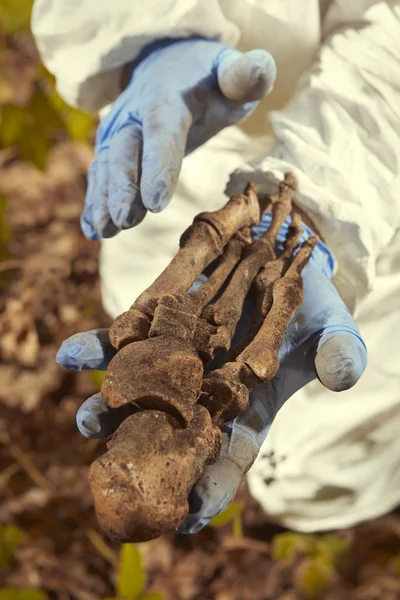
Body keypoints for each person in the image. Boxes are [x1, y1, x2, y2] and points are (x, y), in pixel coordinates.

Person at [32, 0, 400, 534]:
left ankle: (330, 510)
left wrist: (324, 200)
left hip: (372, 171)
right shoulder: (189, 396)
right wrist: (147, 39)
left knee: (335, 449)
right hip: (181, 152)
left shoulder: (129, 372)